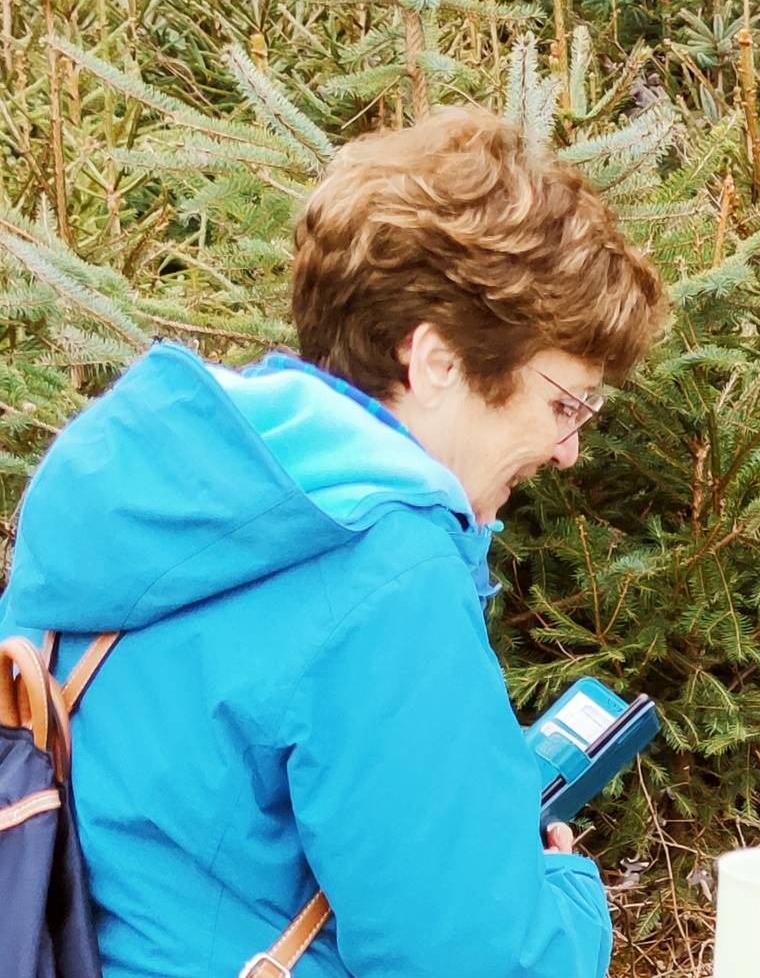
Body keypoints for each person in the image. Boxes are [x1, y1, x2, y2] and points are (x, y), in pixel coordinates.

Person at [0, 108, 666, 978]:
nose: (569, 446)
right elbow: (475, 961)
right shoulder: (388, 573)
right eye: (562, 402)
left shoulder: (131, 479)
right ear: (437, 363)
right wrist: (565, 889)